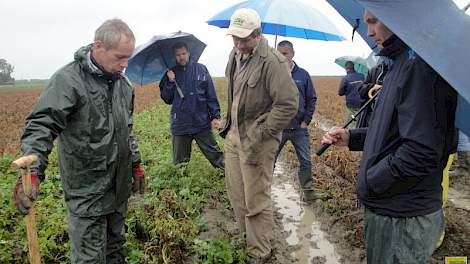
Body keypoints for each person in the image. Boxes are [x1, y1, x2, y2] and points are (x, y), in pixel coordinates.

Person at [321, 10, 457, 264]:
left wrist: (374, 180)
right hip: (393, 210)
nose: (369, 31)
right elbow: (391, 132)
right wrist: (351, 137)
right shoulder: (400, 64)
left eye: (374, 21)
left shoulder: (420, 69)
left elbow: (422, 151)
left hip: (401, 218)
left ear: (399, 18)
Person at [12, 19, 144, 263]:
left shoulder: (124, 85)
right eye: (119, 57)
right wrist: (33, 172)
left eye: (128, 57)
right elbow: (42, 125)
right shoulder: (69, 81)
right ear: (98, 46)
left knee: (116, 252)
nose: (125, 65)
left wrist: (135, 164)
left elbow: (127, 130)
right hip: (87, 191)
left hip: (118, 189)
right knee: (90, 258)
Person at [219, 8, 299, 264]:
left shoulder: (273, 63)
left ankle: (260, 251)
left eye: (243, 39)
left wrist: (263, 132)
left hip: (258, 141)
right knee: (237, 194)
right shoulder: (234, 55)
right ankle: (246, 237)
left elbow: (288, 104)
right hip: (234, 136)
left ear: (258, 35)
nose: (238, 44)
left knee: (256, 199)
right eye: (235, 38)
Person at [159, 42, 224, 169]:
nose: (181, 57)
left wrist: (215, 116)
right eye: (178, 55)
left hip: (201, 121)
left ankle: (231, 177)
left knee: (218, 157)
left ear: (188, 53)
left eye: (183, 53)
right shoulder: (170, 74)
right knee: (180, 164)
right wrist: (170, 82)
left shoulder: (201, 69)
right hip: (180, 124)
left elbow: (210, 94)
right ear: (174, 56)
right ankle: (181, 186)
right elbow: (167, 99)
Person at [275, 40, 319, 203]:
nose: (282, 57)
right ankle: (263, 192)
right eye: (279, 54)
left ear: (293, 54)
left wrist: (306, 121)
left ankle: (308, 193)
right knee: (268, 160)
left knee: (306, 161)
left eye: (285, 53)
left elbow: (311, 98)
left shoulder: (303, 75)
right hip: (278, 128)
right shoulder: (274, 74)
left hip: (299, 128)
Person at [338, 61, 365, 128]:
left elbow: (340, 93)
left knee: (351, 122)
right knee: (361, 121)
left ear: (346, 68)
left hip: (351, 104)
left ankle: (352, 135)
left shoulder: (345, 78)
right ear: (353, 67)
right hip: (363, 103)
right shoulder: (362, 76)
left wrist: (347, 91)